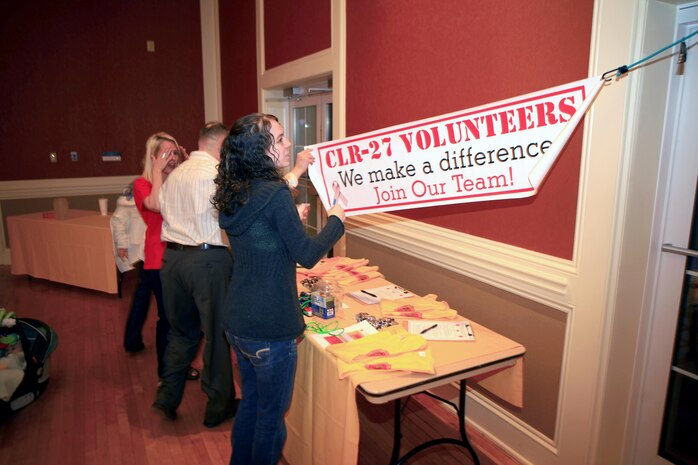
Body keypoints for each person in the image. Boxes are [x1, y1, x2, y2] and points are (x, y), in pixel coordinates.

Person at [212, 113, 345, 465]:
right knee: (271, 418)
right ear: (262, 149)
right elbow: (308, 255)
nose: (289, 144)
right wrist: (337, 221)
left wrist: (286, 224)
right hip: (270, 326)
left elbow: (260, 241)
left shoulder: (236, 191)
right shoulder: (274, 195)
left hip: (238, 321)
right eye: (282, 138)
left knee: (252, 406)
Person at [153, 122, 236, 428]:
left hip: (172, 260)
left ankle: (167, 395)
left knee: (181, 332)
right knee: (216, 335)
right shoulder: (218, 175)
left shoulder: (175, 174)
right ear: (222, 144)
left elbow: (159, 206)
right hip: (207, 262)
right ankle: (218, 407)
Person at [125, 133, 200, 381]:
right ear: (153, 157)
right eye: (166, 153)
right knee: (168, 320)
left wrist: (189, 168)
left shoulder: (179, 181)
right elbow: (156, 204)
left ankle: (180, 364)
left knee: (190, 318)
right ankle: (166, 372)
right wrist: (158, 172)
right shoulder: (142, 184)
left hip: (186, 257)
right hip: (158, 261)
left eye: (175, 152)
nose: (172, 158)